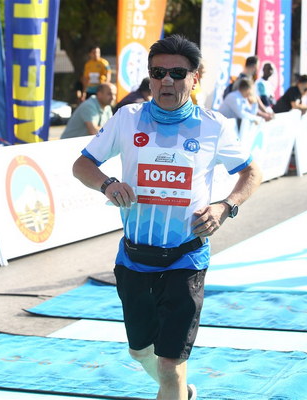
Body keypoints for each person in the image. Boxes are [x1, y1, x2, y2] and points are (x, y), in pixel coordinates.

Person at [71, 35, 262, 400]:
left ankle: (174, 387)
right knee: (140, 353)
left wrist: (225, 207)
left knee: (169, 364)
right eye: (158, 73)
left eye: (178, 73)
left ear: (195, 78)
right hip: (134, 258)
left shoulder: (214, 126)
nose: (167, 81)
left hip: (185, 259)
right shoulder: (127, 119)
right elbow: (82, 165)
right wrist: (107, 184)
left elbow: (252, 173)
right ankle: (181, 392)